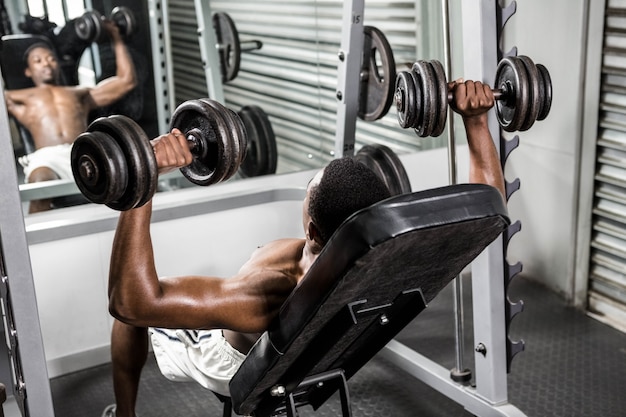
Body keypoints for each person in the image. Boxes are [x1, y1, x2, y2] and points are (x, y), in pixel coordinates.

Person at [102, 79, 505, 417]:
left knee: (131, 320)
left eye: (307, 191)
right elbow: (488, 206)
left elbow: (131, 301)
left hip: (230, 361)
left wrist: (144, 178)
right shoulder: (385, 257)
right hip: (305, 352)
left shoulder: (269, 292)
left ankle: (124, 414)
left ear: (312, 230)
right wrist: (476, 121)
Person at [4, 19, 137, 213]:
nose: (46, 63)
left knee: (131, 183)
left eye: (50, 58)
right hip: (47, 158)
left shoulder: (79, 93)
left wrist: (115, 36)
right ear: (28, 71)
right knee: (40, 183)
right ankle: (39, 243)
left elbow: (126, 81)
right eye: (38, 60)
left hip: (84, 150)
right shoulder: (19, 98)